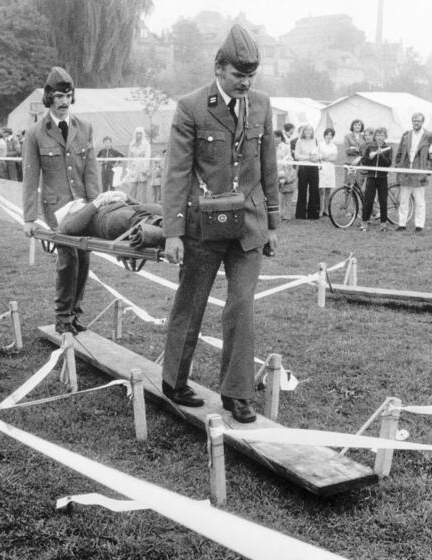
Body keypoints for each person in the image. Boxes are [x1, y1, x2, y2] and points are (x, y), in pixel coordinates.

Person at [160, 24, 279, 423]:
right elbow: (177, 173)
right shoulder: (192, 107)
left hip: (249, 225)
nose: (245, 83)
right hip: (203, 227)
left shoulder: (261, 105)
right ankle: (174, 380)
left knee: (242, 306)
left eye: (251, 76)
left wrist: (273, 224)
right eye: (238, 75)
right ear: (219, 68)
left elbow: (268, 167)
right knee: (191, 302)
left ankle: (237, 394)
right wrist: (174, 233)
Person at [23, 66, 100, 335]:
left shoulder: (84, 128)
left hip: (83, 205)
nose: (64, 102)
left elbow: (91, 170)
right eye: (58, 96)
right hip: (56, 208)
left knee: (85, 257)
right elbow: (30, 177)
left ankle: (75, 313)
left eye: (68, 96)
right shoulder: (35, 133)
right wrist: (29, 218)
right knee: (69, 259)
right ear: (49, 98)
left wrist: (97, 205)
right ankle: (62, 316)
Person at [55, 190, 164, 248]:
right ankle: (161, 227)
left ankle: (165, 225)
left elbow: (138, 206)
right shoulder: (66, 220)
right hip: (105, 221)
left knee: (156, 208)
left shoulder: (87, 208)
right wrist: (97, 202)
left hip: (121, 209)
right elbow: (70, 228)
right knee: (127, 218)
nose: (79, 202)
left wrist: (124, 196)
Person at [394, 112, 432, 233]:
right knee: (403, 200)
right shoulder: (406, 135)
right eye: (414, 120)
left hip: (419, 173)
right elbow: (399, 153)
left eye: (418, 121)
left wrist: (427, 170)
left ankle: (419, 225)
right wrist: (398, 166)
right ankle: (402, 224)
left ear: (422, 122)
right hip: (405, 172)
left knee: (419, 201)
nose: (416, 123)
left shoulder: (429, 136)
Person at [360, 127, 393, 231]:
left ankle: (383, 224)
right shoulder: (370, 147)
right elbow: (364, 161)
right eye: (377, 135)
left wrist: (381, 155)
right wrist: (371, 157)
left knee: (383, 201)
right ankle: (364, 223)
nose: (379, 137)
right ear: (375, 136)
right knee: (368, 201)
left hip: (382, 178)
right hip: (371, 177)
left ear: (385, 136)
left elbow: (388, 163)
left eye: (381, 135)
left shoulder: (388, 148)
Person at [294, 125, 321, 219]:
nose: (308, 132)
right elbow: (297, 155)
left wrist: (316, 158)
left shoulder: (316, 140)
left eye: (309, 130)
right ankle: (300, 214)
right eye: (306, 130)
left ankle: (313, 214)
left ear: (312, 131)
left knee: (314, 190)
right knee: (302, 190)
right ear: (303, 132)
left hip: (314, 168)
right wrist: (308, 158)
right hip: (303, 168)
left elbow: (319, 153)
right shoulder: (299, 141)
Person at [123, 127, 151, 202]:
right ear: (135, 134)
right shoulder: (131, 144)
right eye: (137, 133)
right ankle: (131, 205)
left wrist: (145, 169)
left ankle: (143, 206)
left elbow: (147, 157)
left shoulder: (146, 144)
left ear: (143, 134)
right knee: (131, 189)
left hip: (142, 169)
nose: (139, 135)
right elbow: (129, 158)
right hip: (133, 169)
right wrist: (128, 169)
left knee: (142, 191)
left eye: (140, 133)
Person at [274, 129, 297, 220]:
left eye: (278, 137)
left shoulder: (286, 147)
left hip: (284, 172)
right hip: (273, 173)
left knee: (287, 195)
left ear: (281, 137)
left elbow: (289, 161)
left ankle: (287, 215)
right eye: (274, 137)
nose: (276, 139)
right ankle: (277, 215)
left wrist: (285, 177)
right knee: (277, 197)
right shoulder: (269, 147)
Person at [318, 127, 338, 217]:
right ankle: (321, 209)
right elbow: (319, 156)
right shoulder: (320, 144)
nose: (329, 136)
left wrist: (325, 157)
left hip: (330, 168)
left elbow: (334, 158)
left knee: (328, 190)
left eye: (331, 135)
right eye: (327, 134)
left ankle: (326, 209)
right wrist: (326, 157)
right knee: (321, 189)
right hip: (322, 167)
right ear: (325, 135)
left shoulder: (334, 146)